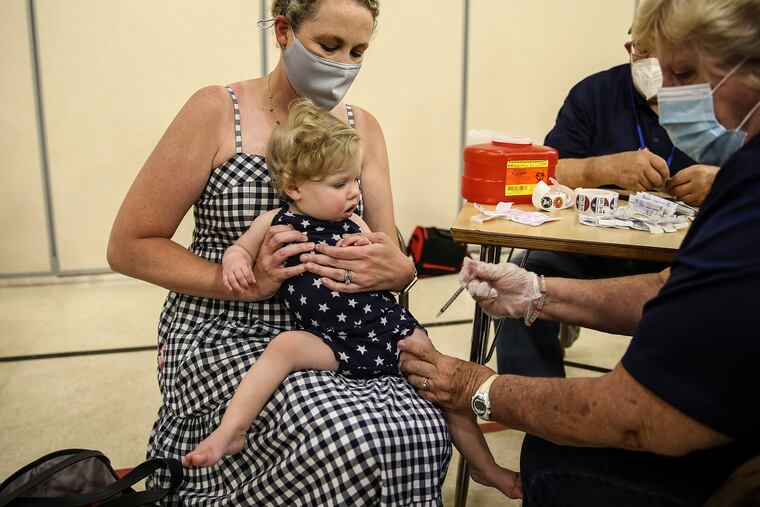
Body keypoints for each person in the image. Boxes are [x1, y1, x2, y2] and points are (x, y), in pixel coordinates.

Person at [399, 0, 760, 504]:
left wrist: (479, 389)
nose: (672, 97)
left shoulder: (744, 188)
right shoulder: (597, 95)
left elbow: (637, 415)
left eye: (682, 72)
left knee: (553, 461)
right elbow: (666, 287)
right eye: (660, 67)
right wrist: (538, 294)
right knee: (537, 268)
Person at [106, 1, 452, 504]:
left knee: (422, 422)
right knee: (338, 432)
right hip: (225, 326)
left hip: (337, 324)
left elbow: (388, 249)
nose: (344, 63)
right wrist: (245, 281)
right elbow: (128, 246)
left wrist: (402, 271)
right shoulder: (216, 111)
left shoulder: (362, 128)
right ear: (285, 31)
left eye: (358, 51)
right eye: (328, 46)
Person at [181, 99, 523, 498]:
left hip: (385, 328)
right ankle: (231, 430)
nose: (354, 192)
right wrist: (238, 262)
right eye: (339, 184)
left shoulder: (354, 221)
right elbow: (238, 249)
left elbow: (388, 256)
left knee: (441, 380)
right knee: (284, 346)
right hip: (330, 340)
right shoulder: (274, 223)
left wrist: (376, 246)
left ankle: (484, 467)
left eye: (355, 180)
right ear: (294, 188)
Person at [495, 28, 717, 378]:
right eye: (644, 49)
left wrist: (721, 180)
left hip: (683, 257)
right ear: (630, 48)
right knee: (519, 279)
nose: (656, 60)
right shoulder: (594, 94)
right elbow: (548, 173)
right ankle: (543, 424)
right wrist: (603, 167)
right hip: (590, 251)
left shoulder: (721, 97)